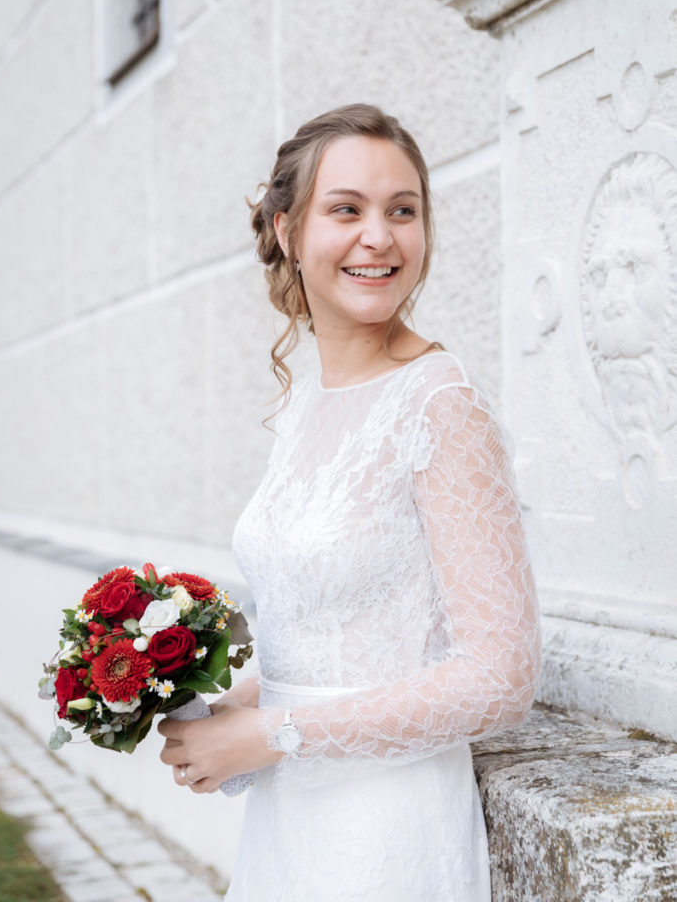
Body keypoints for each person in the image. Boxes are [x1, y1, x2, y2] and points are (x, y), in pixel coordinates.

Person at [158, 103, 541, 901]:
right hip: (290, 814)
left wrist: (273, 735)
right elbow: (339, 635)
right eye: (346, 210)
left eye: (403, 210)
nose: (380, 236)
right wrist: (231, 711)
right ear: (287, 229)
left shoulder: (440, 404)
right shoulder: (306, 404)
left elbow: (499, 677)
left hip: (384, 830)